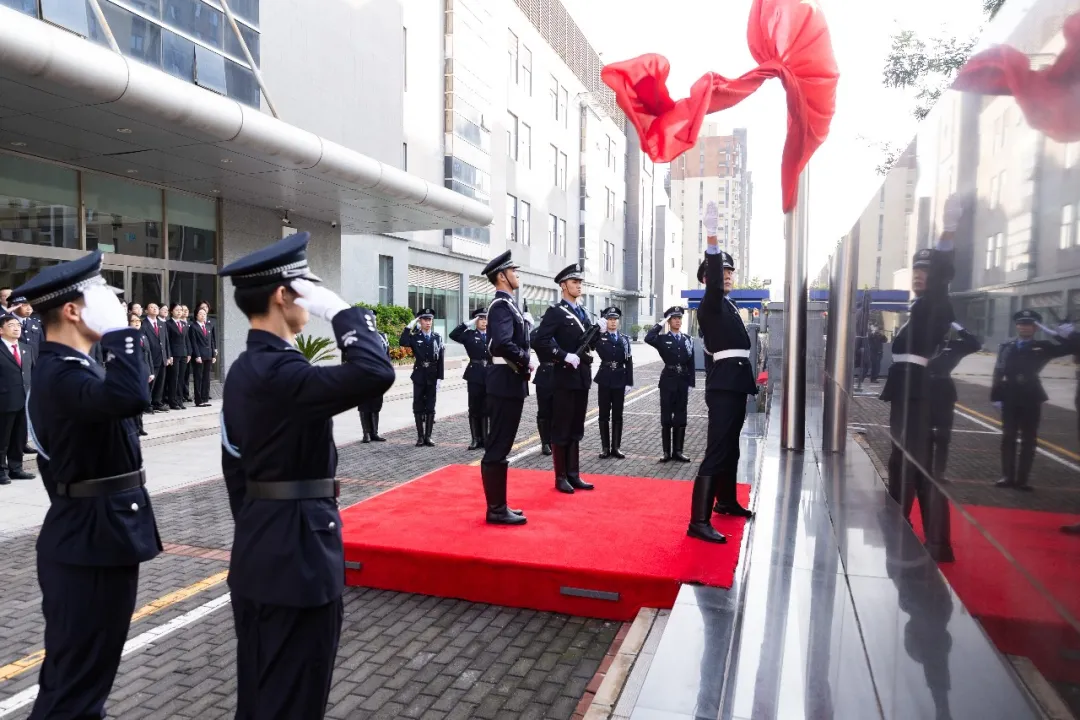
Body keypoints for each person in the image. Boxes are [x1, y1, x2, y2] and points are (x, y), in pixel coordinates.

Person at [219, 231, 394, 720]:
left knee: (262, 693)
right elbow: (375, 373)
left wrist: (260, 526)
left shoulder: (245, 368)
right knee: (294, 699)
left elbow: (234, 468)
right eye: (309, 286)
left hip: (263, 546)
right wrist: (342, 312)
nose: (314, 296)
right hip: (297, 557)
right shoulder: (281, 372)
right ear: (284, 295)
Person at [17, 250, 160, 720]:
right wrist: (123, 333)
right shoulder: (61, 374)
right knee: (74, 689)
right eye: (103, 300)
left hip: (96, 538)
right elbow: (131, 396)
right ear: (73, 310)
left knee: (82, 680)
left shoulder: (74, 368)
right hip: (89, 544)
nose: (115, 309)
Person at [880, 195, 962, 562]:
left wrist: (948, 232)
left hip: (921, 398)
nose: (918, 274)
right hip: (908, 396)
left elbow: (943, 278)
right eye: (915, 269)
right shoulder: (919, 309)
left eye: (925, 271)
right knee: (902, 464)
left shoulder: (937, 304)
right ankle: (902, 528)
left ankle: (936, 543)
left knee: (918, 468)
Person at [690, 201, 755, 544]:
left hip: (734, 381)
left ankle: (726, 501)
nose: (726, 276)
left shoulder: (729, 305)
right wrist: (712, 240)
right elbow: (715, 282)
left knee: (731, 445)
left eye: (730, 272)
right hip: (724, 385)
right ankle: (697, 520)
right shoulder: (711, 302)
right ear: (707, 279)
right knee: (717, 447)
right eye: (720, 272)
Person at [992, 311, 1078, 491]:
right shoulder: (1007, 346)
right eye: (1021, 323)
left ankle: (1022, 480)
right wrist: (996, 396)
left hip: (1031, 396)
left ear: (1035, 327)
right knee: (1008, 438)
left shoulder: (1044, 346)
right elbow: (998, 371)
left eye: (1029, 324)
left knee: (1029, 439)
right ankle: (1007, 476)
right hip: (1010, 396)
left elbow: (1074, 347)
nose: (1024, 327)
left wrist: (1057, 333)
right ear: (1016, 326)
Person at [534, 264, 599, 494]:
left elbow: (591, 343)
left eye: (580, 282)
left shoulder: (583, 312)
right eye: (574, 282)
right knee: (561, 426)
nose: (578, 285)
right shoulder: (556, 312)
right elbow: (540, 340)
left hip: (581, 376)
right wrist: (563, 355)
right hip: (563, 376)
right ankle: (560, 477)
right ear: (563, 285)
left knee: (575, 426)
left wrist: (598, 334)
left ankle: (574, 474)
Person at [480, 250, 532, 525]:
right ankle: (496, 509)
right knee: (498, 445)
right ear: (502, 276)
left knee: (502, 444)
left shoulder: (509, 305)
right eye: (513, 271)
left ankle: (500, 505)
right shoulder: (500, 306)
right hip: (503, 381)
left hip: (510, 381)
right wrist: (525, 358)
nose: (517, 275)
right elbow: (501, 343)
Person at [927, 323, 981, 485]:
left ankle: (939, 473)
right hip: (922, 390)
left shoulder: (953, 345)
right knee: (923, 436)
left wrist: (958, 327)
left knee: (943, 436)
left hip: (944, 391)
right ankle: (924, 470)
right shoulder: (919, 343)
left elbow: (975, 345)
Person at [645, 306, 696, 463]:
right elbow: (648, 338)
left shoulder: (687, 339)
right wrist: (661, 323)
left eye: (679, 318)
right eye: (674, 318)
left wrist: (691, 382)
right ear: (669, 321)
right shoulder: (662, 339)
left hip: (682, 381)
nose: (677, 321)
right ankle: (667, 452)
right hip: (668, 380)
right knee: (666, 417)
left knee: (681, 416)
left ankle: (678, 451)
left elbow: (691, 362)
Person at [399, 308, 445, 447]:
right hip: (419, 375)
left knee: (430, 406)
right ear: (420, 321)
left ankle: (428, 436)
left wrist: (440, 378)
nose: (428, 322)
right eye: (425, 319)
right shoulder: (415, 337)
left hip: (432, 375)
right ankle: (420, 437)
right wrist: (409, 326)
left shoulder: (437, 337)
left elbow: (440, 359)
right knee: (418, 405)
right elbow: (403, 342)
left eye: (430, 319)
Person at [594, 306, 634, 460]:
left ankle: (616, 447)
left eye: (615, 319)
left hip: (619, 378)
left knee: (618, 414)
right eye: (610, 319)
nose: (613, 322)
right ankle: (605, 448)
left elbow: (629, 361)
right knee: (604, 414)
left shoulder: (624, 339)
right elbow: (590, 343)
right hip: (604, 378)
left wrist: (629, 382)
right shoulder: (600, 337)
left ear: (618, 321)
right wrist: (598, 329)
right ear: (606, 321)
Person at [450, 308, 492, 450]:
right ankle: (476, 438)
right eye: (481, 319)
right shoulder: (469, 335)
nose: (484, 321)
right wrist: (467, 324)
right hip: (475, 374)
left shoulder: (493, 335)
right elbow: (453, 334)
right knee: (474, 407)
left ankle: (486, 438)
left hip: (490, 374)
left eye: (486, 318)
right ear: (475, 321)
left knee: (487, 408)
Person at [0, 313, 34, 483]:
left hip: (24, 400)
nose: (16, 328)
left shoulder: (26, 349)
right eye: (11, 325)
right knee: (2, 438)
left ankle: (16, 468)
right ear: (1, 330)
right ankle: (1, 471)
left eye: (18, 325)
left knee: (19, 437)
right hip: (4, 401)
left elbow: (31, 374)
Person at [357, 326, 390, 443]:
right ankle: (366, 433)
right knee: (364, 404)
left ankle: (374, 433)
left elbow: (387, 356)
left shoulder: (382, 337)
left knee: (376, 403)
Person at [531, 316, 554, 456]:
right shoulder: (537, 333)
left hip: (561, 375)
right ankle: (545, 442)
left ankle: (556, 440)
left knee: (559, 411)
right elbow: (531, 340)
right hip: (545, 375)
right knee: (544, 411)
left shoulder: (562, 332)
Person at [142, 302, 171, 412]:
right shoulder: (144, 324)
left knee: (160, 382)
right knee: (150, 382)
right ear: (146, 310)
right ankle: (147, 404)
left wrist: (168, 356)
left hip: (162, 357)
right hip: (151, 358)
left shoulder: (162, 324)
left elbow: (166, 341)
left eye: (156, 308)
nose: (154, 309)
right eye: (151, 307)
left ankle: (157, 402)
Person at [188, 305, 216, 407]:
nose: (203, 316)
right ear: (196, 315)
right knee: (198, 378)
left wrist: (213, 354)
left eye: (204, 314)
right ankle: (199, 400)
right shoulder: (193, 327)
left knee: (206, 378)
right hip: (199, 356)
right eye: (201, 314)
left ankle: (205, 398)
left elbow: (211, 341)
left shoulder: (208, 326)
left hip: (208, 355)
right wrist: (197, 355)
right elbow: (194, 342)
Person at [130, 311, 152, 436]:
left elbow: (148, 355)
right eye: (133, 321)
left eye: (138, 321)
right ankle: (134, 427)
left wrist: (150, 372)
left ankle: (140, 426)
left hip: (143, 371)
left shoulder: (143, 336)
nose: (136, 323)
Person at [165, 304, 189, 410]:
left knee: (181, 378)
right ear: (171, 311)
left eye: (181, 310)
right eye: (177, 310)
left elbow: (187, 340)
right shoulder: (168, 324)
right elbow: (167, 341)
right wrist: (169, 355)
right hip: (174, 354)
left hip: (183, 354)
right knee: (173, 378)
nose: (179, 312)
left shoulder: (184, 324)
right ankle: (172, 401)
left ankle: (180, 400)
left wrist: (188, 353)